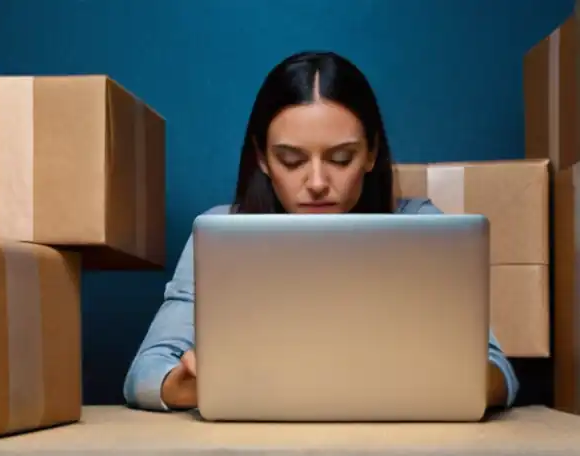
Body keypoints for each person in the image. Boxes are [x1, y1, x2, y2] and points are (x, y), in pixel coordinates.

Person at [123, 51, 519, 412]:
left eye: (341, 158)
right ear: (262, 158)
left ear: (371, 153)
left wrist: (446, 379)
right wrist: (192, 386)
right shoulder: (220, 233)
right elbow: (145, 373)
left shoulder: (425, 228)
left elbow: (499, 372)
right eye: (291, 160)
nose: (316, 181)